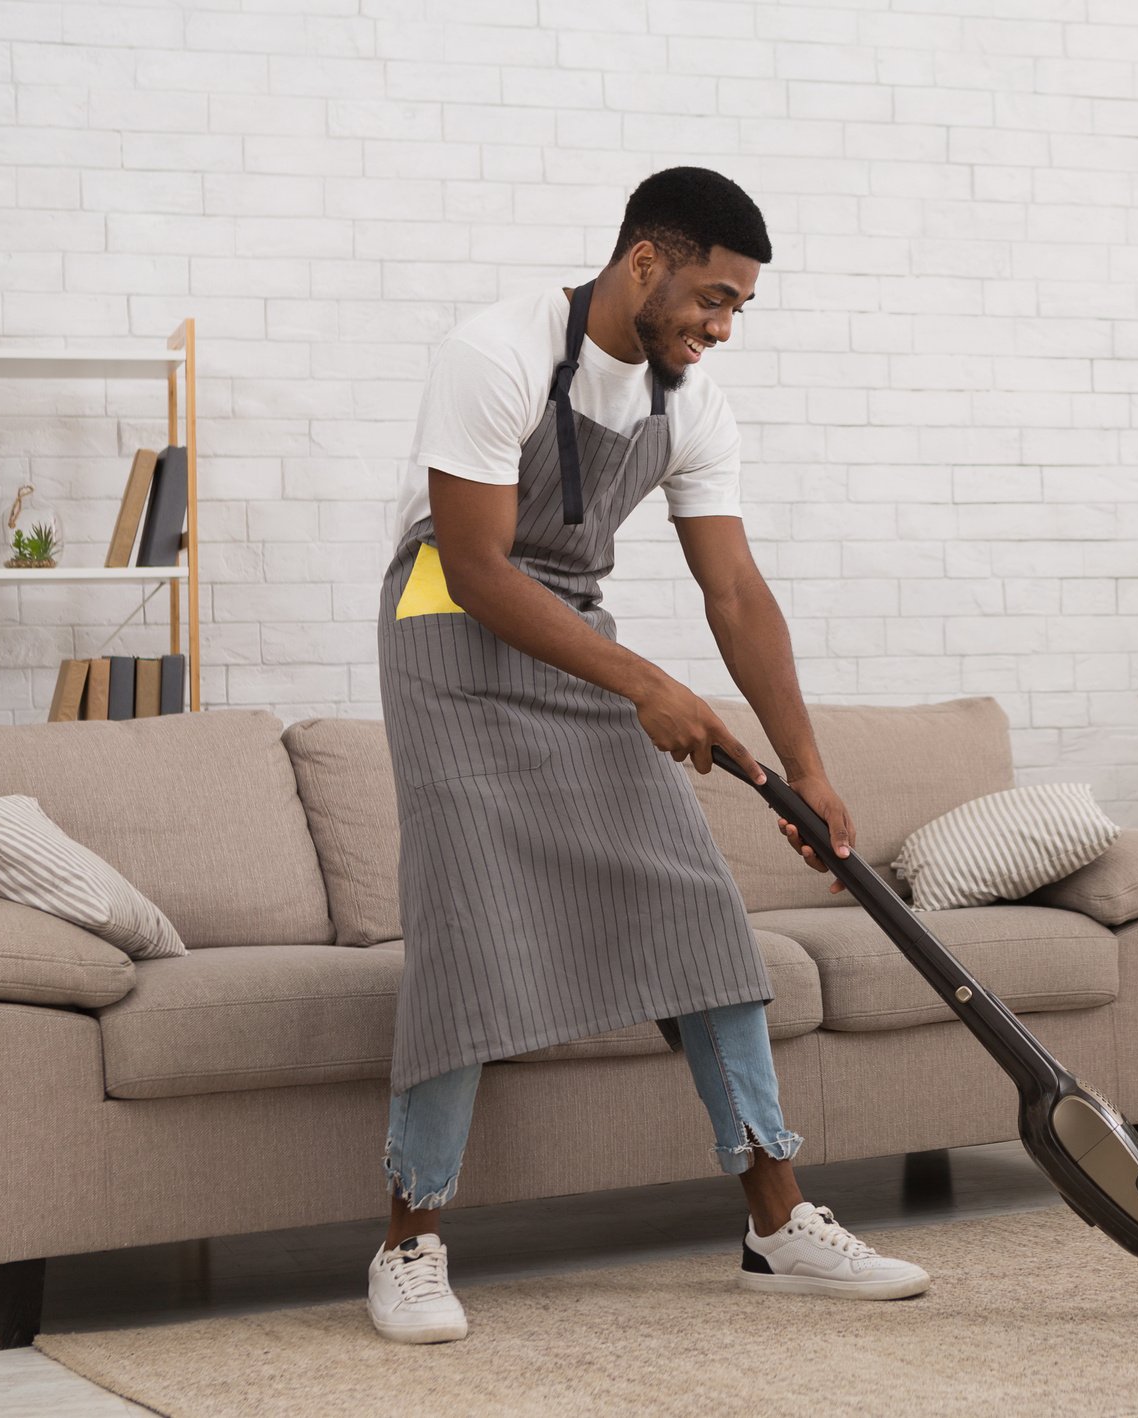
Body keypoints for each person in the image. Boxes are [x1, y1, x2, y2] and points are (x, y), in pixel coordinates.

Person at [366, 167, 928, 1343]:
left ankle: (776, 1221)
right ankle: (408, 1239)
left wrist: (808, 765)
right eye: (712, 298)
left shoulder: (689, 400)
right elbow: (473, 567)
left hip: (576, 638)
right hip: (448, 641)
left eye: (737, 309)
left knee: (700, 916)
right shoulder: (495, 352)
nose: (720, 327)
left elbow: (732, 588)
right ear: (642, 263)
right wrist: (648, 684)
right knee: (470, 932)